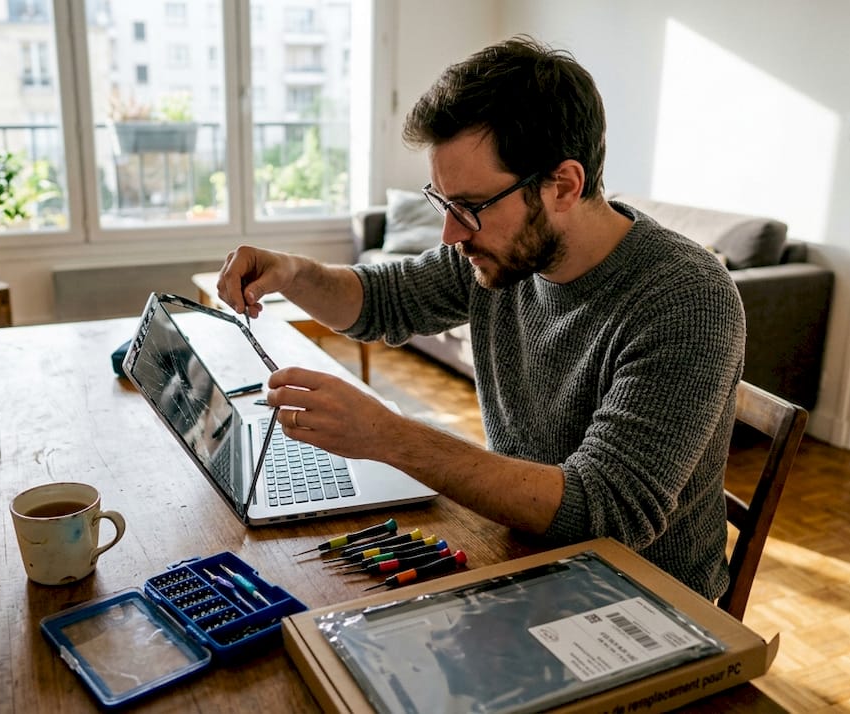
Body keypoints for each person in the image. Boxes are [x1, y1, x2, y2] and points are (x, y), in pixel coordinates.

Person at [215, 36, 745, 600]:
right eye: (444, 204)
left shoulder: (686, 298)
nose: (451, 233)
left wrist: (389, 437)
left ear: (564, 185)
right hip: (527, 553)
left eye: (469, 208)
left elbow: (606, 510)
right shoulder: (502, 255)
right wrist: (293, 272)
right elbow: (382, 301)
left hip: (642, 601)